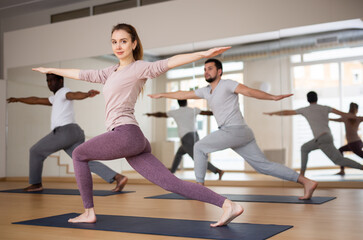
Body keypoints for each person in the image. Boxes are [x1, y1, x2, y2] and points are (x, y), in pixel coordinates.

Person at [32, 23, 243, 227]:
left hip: (125, 134)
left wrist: (203, 54)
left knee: (78, 154)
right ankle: (228, 205)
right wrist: (52, 69)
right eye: (114, 42)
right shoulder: (110, 71)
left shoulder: (139, 68)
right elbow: (82, 74)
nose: (118, 46)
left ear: (134, 43)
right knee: (171, 183)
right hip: (135, 139)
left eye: (123, 41)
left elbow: (169, 62)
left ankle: (88, 212)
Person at [149, 58, 318, 200]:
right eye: (204, 69)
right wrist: (162, 95)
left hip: (234, 130)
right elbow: (182, 94)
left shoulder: (227, 84)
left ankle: (199, 189)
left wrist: (273, 97)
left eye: (210, 69)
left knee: (199, 147)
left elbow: (249, 92)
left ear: (219, 71)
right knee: (263, 166)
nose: (206, 72)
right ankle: (306, 182)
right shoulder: (206, 91)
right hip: (241, 133)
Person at [7, 73, 128, 192]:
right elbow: (36, 100)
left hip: (64, 132)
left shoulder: (64, 92)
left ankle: (36, 184)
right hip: (75, 133)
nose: (50, 83)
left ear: (60, 81)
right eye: (48, 81)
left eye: (52, 80)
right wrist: (18, 99)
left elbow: (74, 95)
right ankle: (118, 177)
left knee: (35, 151)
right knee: (83, 160)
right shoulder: (55, 98)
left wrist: (87, 94)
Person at [265, 91, 363, 176]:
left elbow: (287, 112)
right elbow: (344, 114)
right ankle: (302, 174)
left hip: (321, 139)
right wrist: (357, 117)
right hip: (327, 137)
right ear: (317, 98)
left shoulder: (305, 109)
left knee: (338, 160)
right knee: (305, 148)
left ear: (308, 99)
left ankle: (361, 167)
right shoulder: (325, 108)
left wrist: (273, 113)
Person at [145, 99, 224, 179]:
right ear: (186, 102)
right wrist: (219, 112)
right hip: (195, 136)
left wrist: (150, 114)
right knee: (179, 153)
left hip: (186, 138)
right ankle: (172, 171)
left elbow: (161, 114)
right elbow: (206, 113)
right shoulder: (192, 110)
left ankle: (217, 171)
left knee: (197, 158)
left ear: (178, 103)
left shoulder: (175, 112)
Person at [329, 102, 363, 175]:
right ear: (356, 110)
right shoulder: (356, 118)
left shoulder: (347, 118)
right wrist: (328, 119)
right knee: (340, 150)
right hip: (357, 142)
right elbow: (336, 120)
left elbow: (336, 120)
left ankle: (342, 170)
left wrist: (328, 119)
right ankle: (342, 171)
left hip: (354, 143)